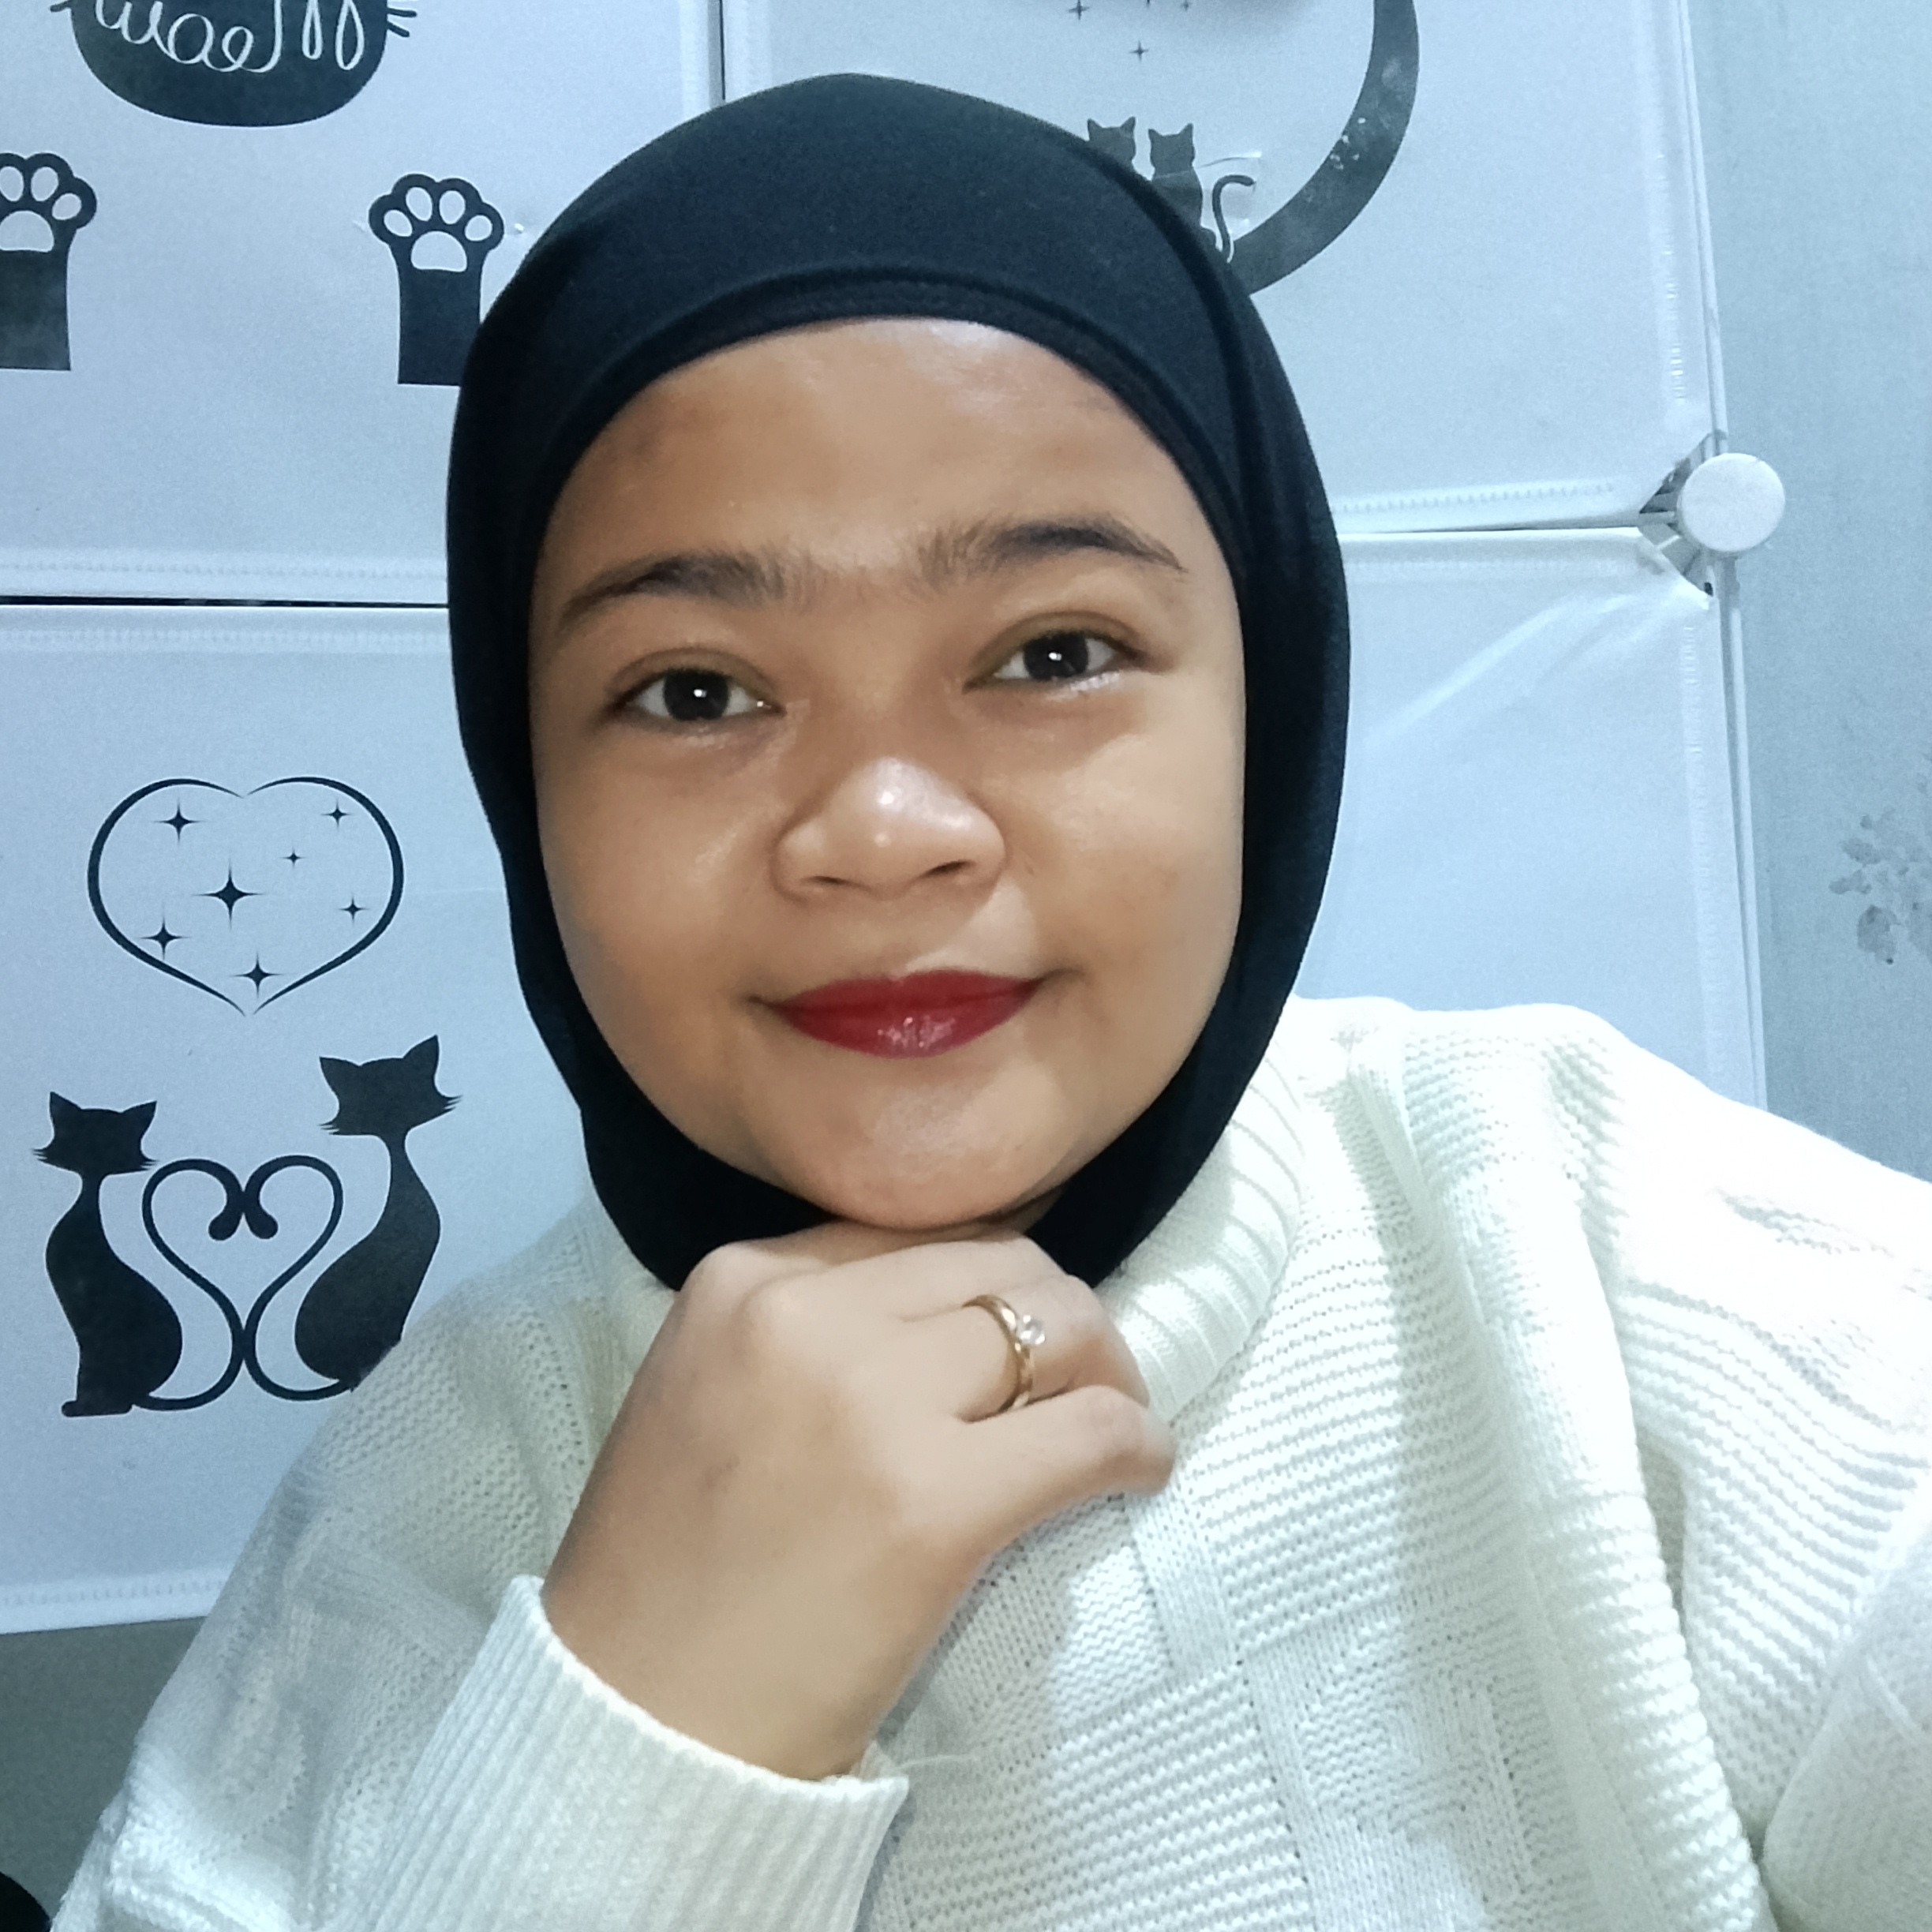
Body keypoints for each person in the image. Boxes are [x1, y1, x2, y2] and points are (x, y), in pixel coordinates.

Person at [56, 76, 1932, 1932]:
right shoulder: (405, 1532)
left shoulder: (1620, 1273)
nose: (884, 834)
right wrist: (637, 1733)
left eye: (1054, 653)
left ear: (1267, 703)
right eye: (697, 691)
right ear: (521, 765)